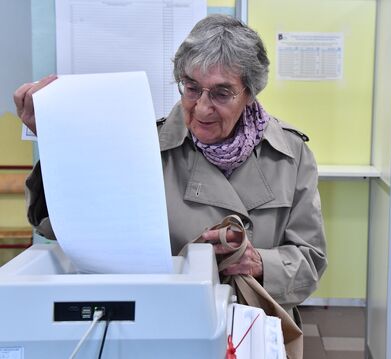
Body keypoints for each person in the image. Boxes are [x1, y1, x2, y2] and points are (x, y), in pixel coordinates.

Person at [13, 14, 327, 325]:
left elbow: (311, 260)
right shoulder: (143, 145)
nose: (202, 107)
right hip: (169, 321)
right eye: (191, 88)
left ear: (249, 93)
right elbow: (66, 227)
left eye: (221, 93)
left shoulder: (290, 154)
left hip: (258, 322)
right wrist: (56, 142)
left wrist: (260, 263)